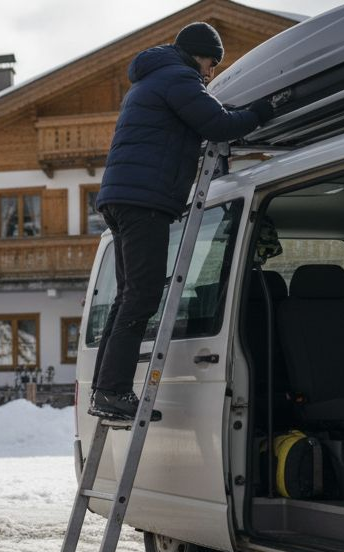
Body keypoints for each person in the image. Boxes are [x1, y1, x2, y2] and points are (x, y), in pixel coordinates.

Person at [89, 22, 274, 422]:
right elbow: (219, 124)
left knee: (128, 297)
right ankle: (113, 391)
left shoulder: (151, 80)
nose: (210, 73)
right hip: (144, 200)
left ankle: (104, 391)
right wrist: (261, 111)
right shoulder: (177, 78)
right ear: (197, 53)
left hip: (123, 198)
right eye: (211, 62)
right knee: (141, 296)